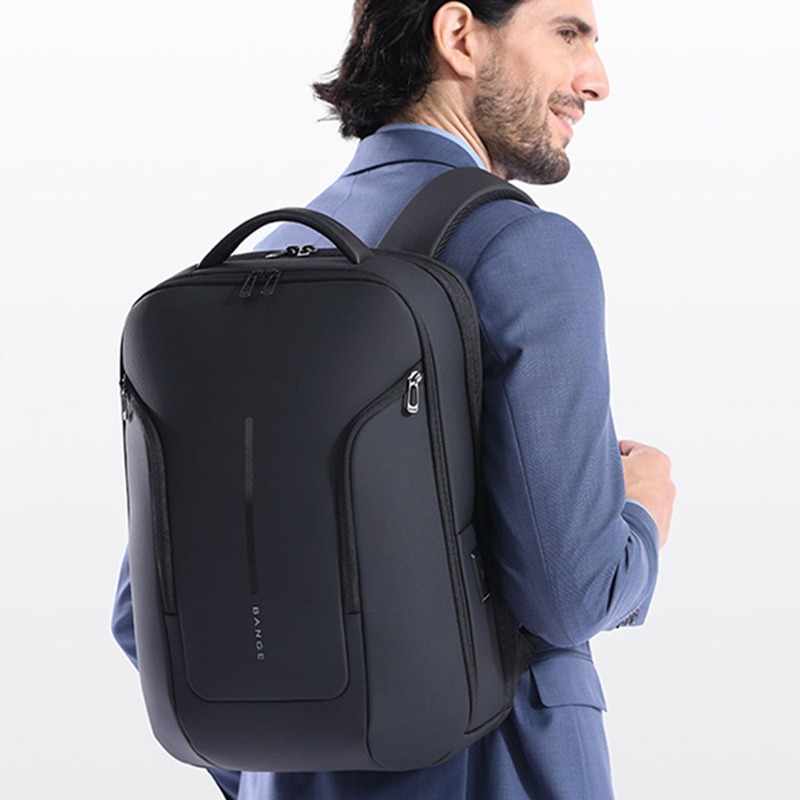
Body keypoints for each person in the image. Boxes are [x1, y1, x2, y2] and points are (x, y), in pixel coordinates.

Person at [112, 0, 676, 797]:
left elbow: (140, 617)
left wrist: (282, 768)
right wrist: (642, 513)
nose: (597, 79)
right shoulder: (524, 247)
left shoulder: (267, 259)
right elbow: (570, 591)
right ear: (459, 35)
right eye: (567, 33)